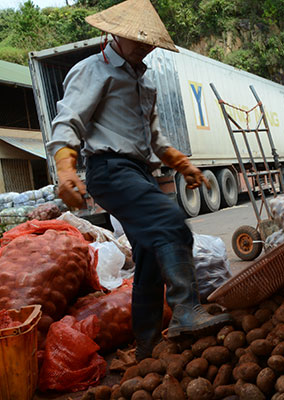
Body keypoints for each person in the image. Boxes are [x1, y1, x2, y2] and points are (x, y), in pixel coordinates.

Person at [47, 0, 230, 361]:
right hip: (109, 170)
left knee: (148, 256)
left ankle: (146, 346)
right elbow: (69, 121)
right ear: (113, 33)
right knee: (172, 222)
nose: (143, 46)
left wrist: (182, 164)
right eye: (136, 39)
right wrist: (66, 168)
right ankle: (185, 309)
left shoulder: (144, 82)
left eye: (149, 42)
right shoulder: (92, 70)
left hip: (138, 171)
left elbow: (155, 138)